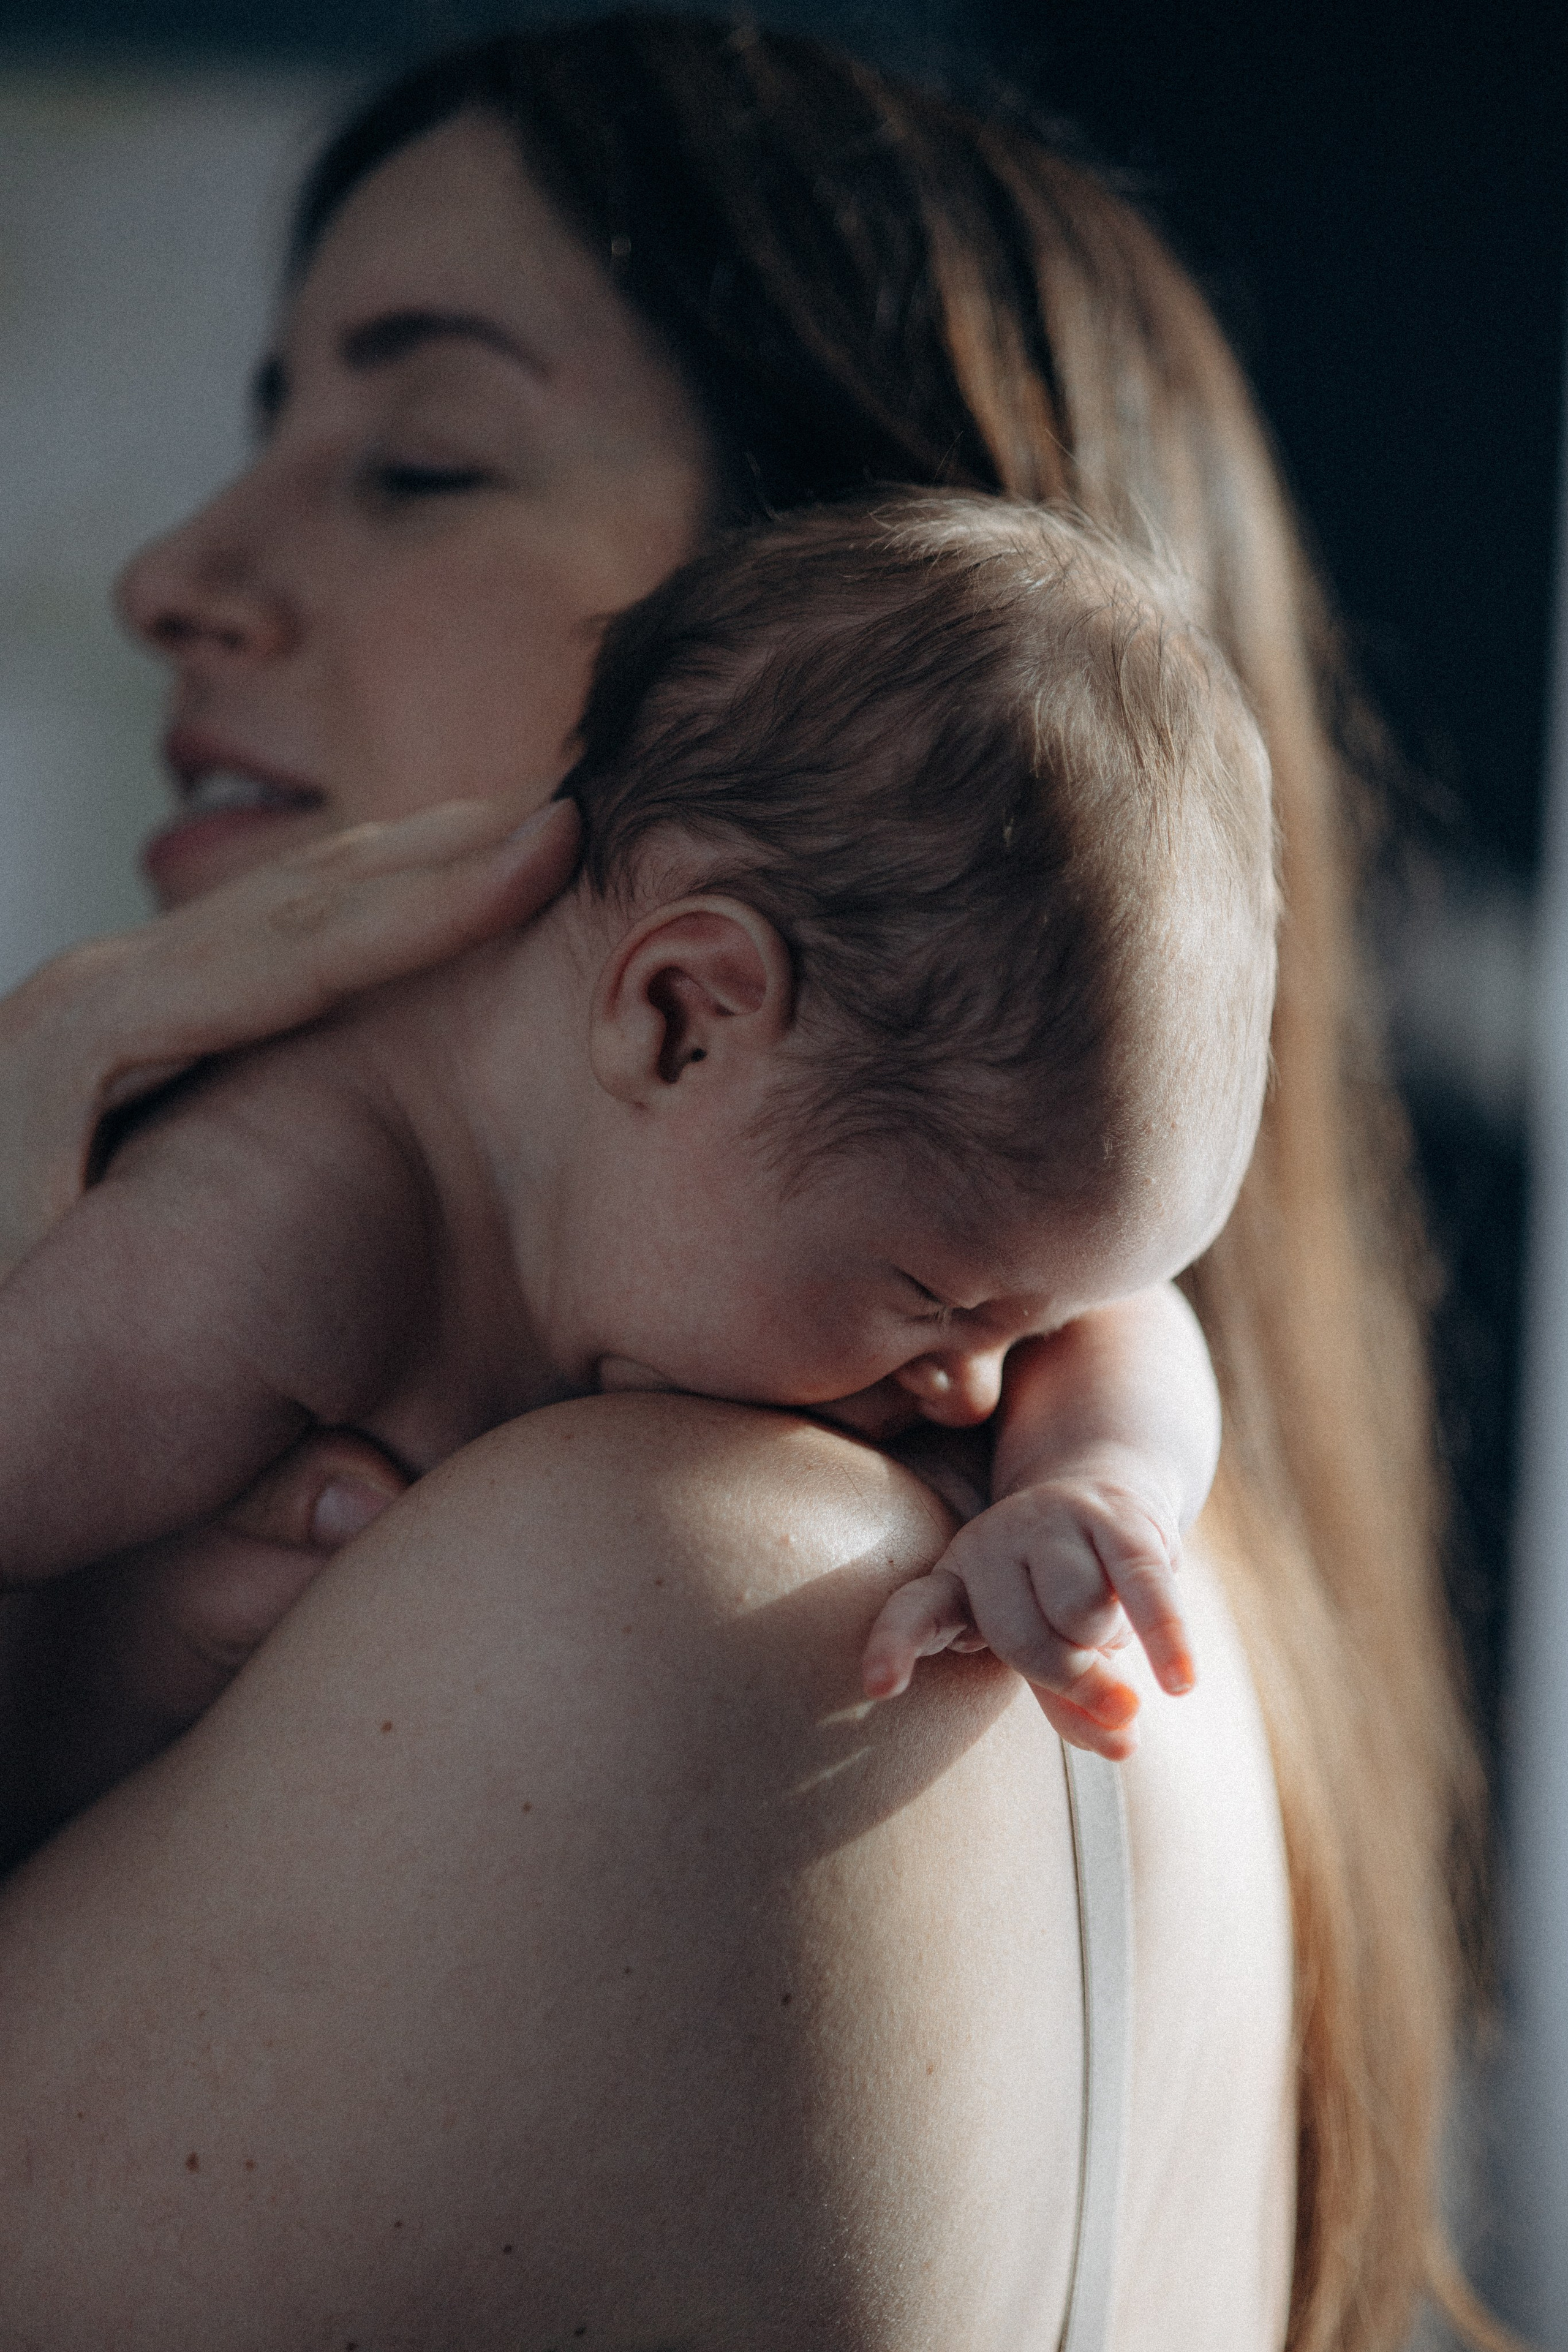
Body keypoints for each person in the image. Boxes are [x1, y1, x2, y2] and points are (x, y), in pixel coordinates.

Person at [0, 19, 1480, 2350]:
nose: (179, 574)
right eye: (259, 424)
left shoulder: (668, 1593)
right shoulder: (1200, 1714)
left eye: (423, 461)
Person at [0, 495, 1273, 1812]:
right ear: (680, 1020)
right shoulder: (265, 1243)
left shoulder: (871, 1184)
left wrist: (1096, 1486)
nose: (972, 1393)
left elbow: (1118, 1319)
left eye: (1017, 1327)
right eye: (939, 1305)